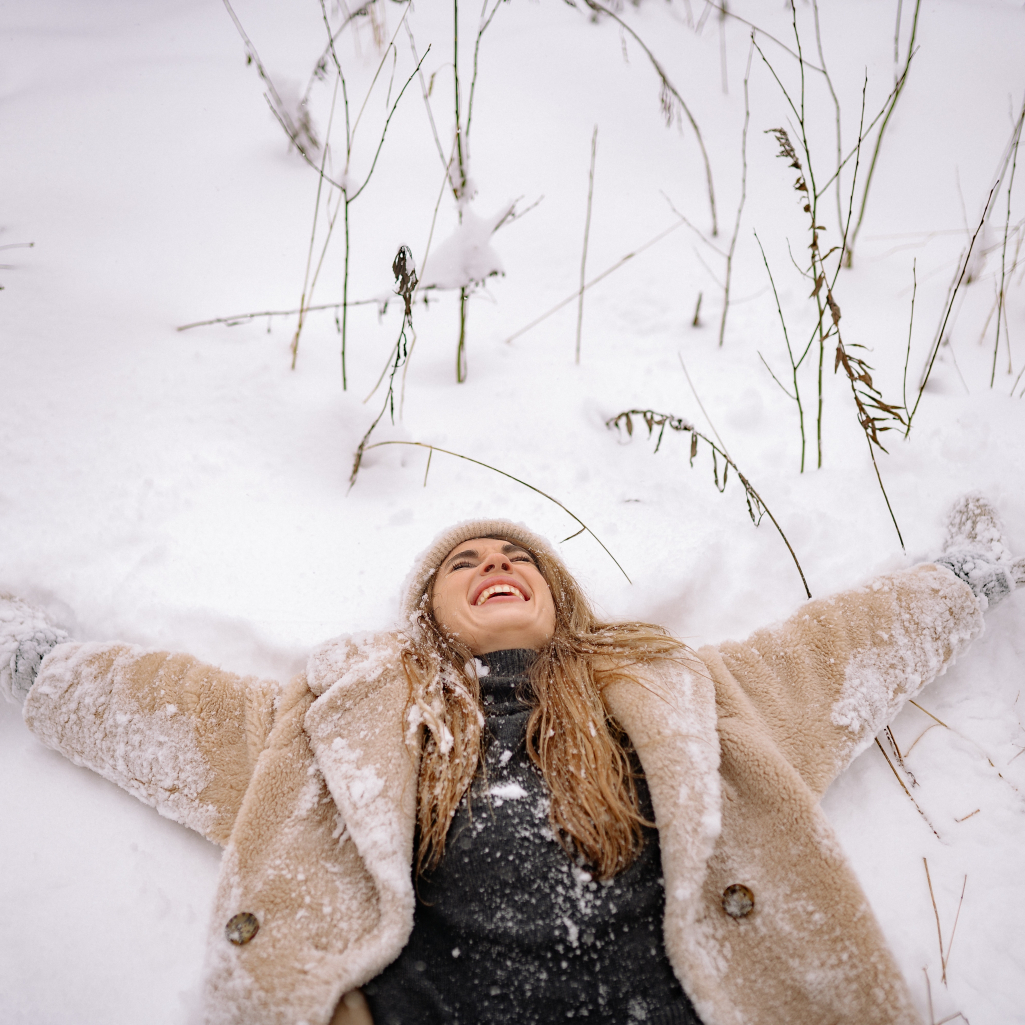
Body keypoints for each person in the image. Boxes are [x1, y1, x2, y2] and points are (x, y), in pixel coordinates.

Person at [2, 496, 1022, 1025]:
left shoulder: (680, 694)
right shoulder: (351, 721)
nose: (495, 565)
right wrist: (40, 661)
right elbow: (180, 715)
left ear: (557, 596)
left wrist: (962, 578)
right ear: (430, 612)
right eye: (465, 561)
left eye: (516, 556)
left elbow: (833, 651)